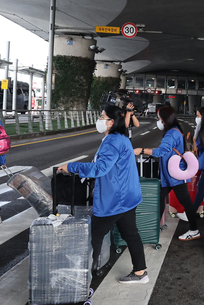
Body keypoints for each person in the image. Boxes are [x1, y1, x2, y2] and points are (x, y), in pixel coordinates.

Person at [57, 105, 148, 284]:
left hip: (115, 199)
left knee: (94, 236)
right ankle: (140, 272)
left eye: (102, 116)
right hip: (127, 196)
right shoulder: (122, 138)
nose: (99, 120)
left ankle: (83, 278)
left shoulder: (112, 141)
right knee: (131, 234)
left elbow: (100, 168)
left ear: (111, 122)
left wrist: (72, 166)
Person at [134, 106, 200, 241]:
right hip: (168, 176)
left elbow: (161, 151)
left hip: (174, 175)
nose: (158, 121)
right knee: (159, 198)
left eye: (159, 118)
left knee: (185, 202)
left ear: (164, 119)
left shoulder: (171, 133)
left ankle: (194, 230)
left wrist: (142, 150)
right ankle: (153, 228)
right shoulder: (175, 131)